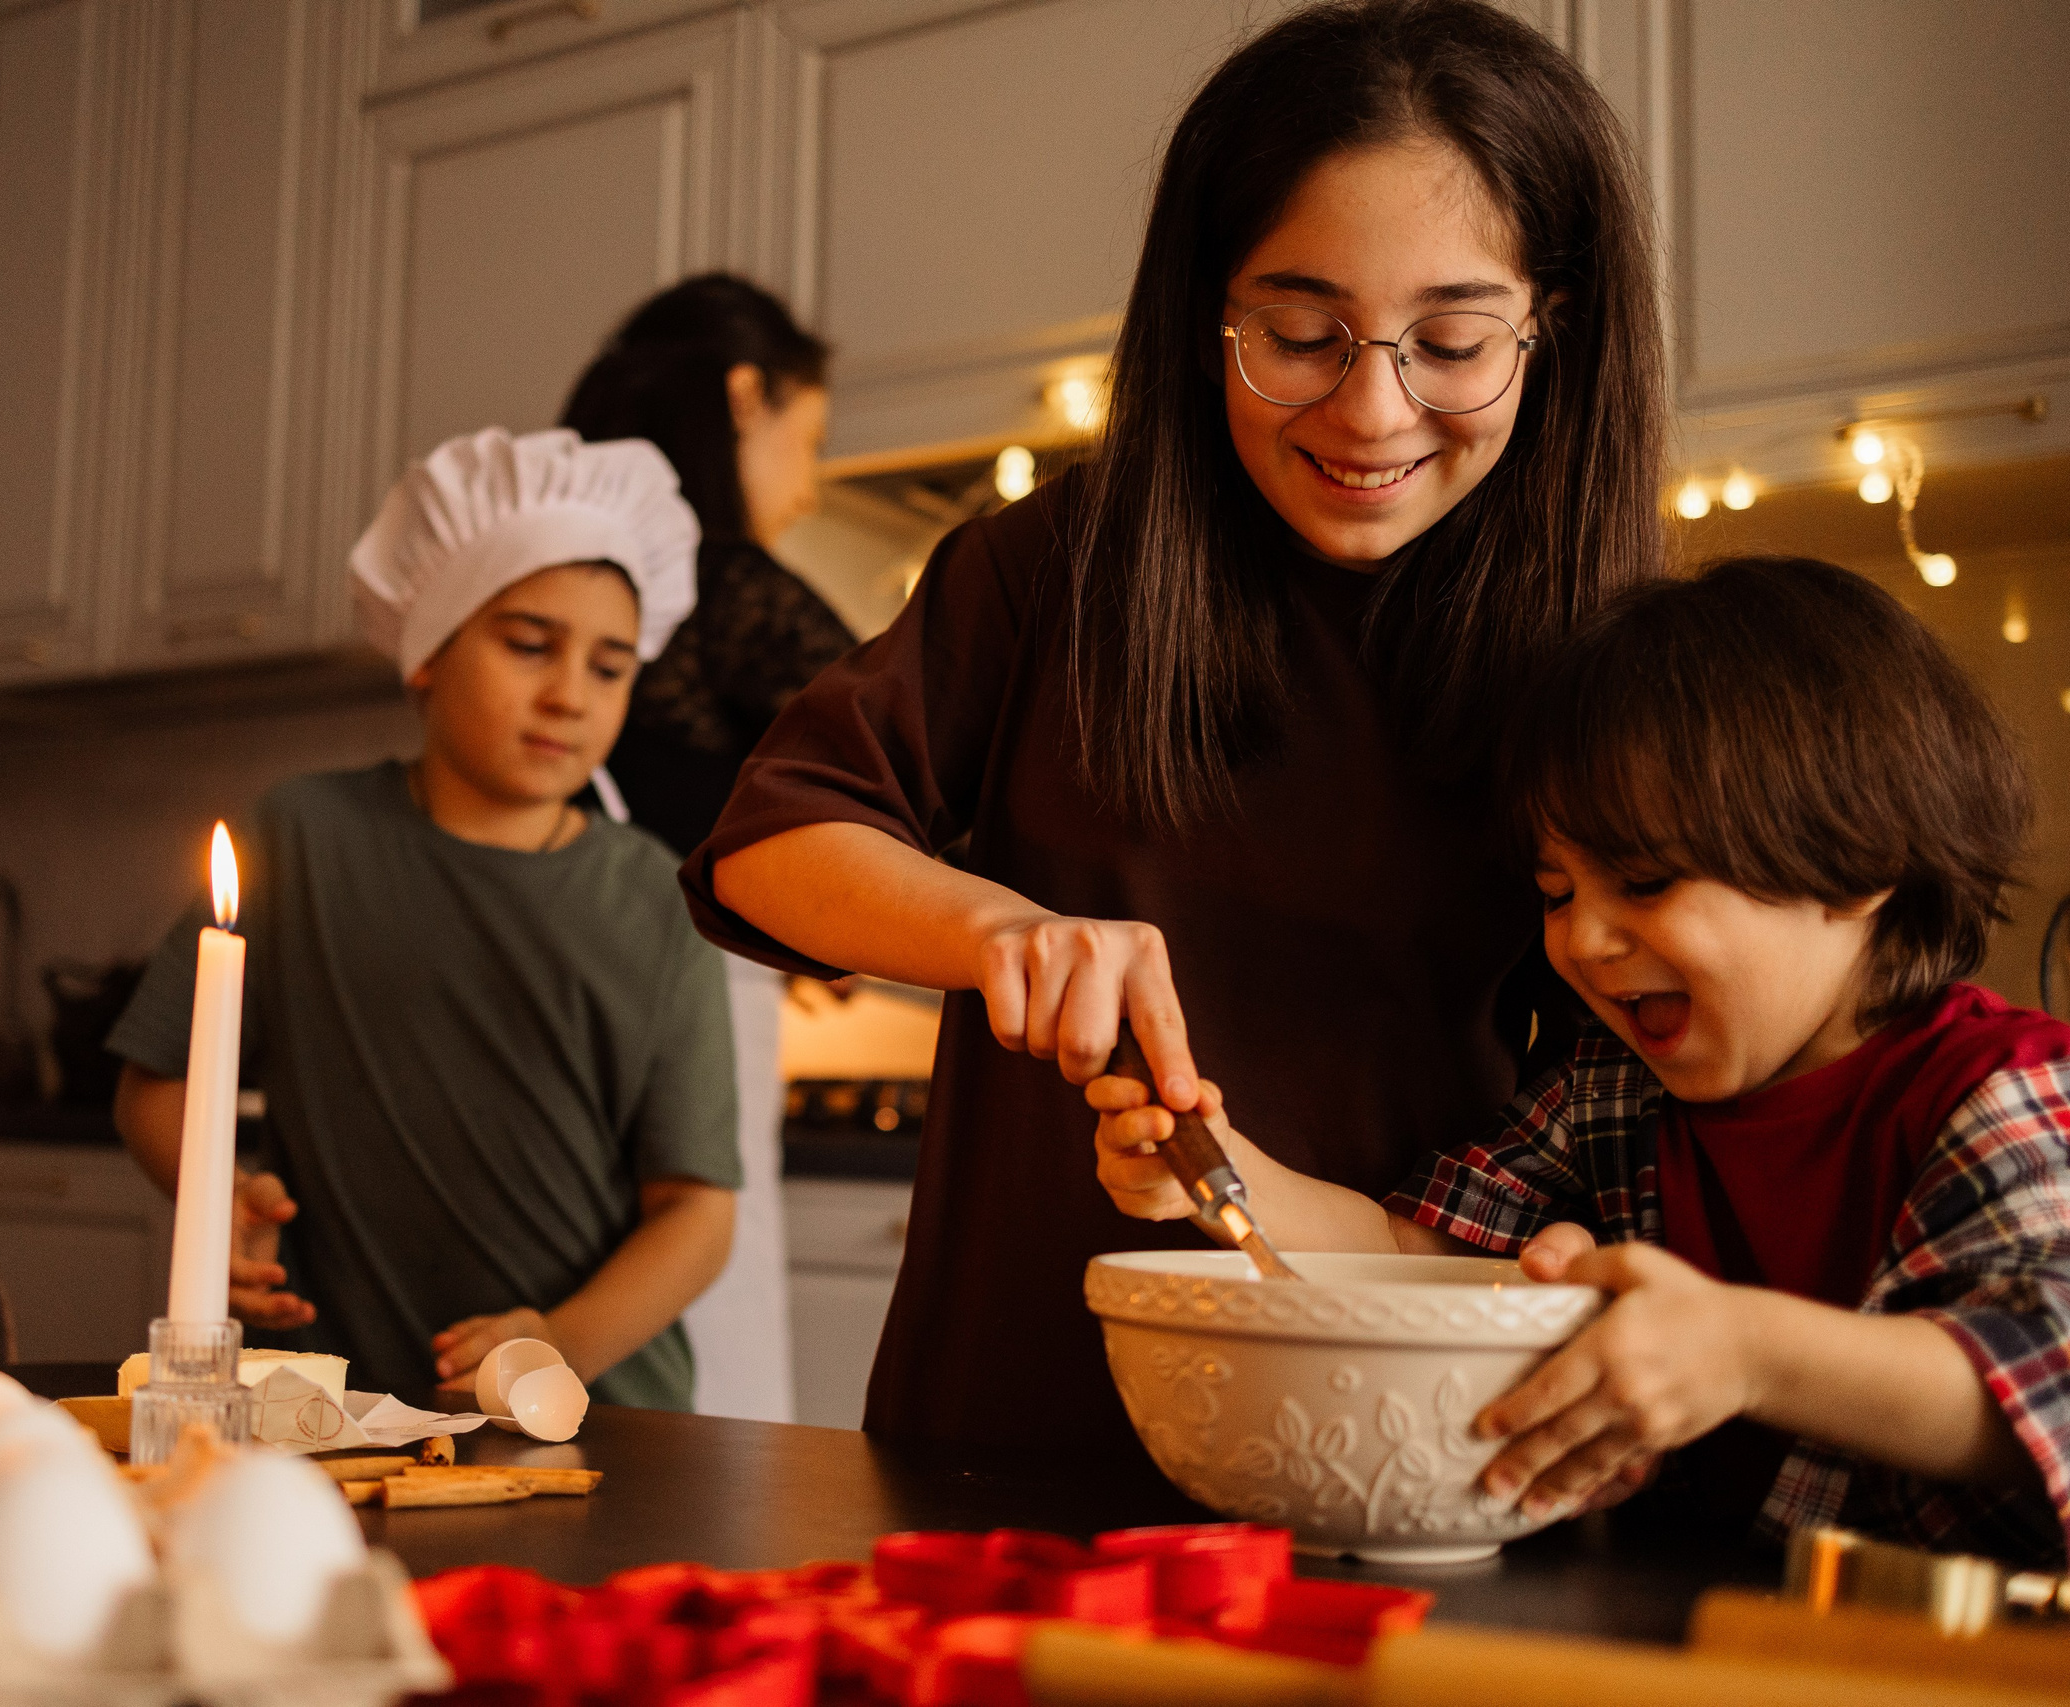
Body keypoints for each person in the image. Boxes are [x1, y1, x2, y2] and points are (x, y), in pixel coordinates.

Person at [679, 0, 1666, 1454]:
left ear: (1553, 330)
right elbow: (767, 843)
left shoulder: (1606, 655)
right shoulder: (1058, 569)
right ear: (1206, 307)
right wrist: (1003, 933)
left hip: (1403, 1421)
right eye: (1300, 333)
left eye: (1452, 343)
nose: (1373, 409)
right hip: (1014, 1418)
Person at [1094, 558, 2070, 1564]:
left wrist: (1743, 1352)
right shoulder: (1610, 1095)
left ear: (1859, 864)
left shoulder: (1999, 1091)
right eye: (1558, 893)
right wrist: (1217, 1171)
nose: (1584, 943)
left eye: (1644, 882)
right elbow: (1407, 1252)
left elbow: (2045, 1377)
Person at [109, 427, 742, 1409]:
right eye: (529, 645)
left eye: (610, 668)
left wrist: (558, 1345)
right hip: (331, 1407)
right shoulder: (300, 836)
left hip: (596, 1418)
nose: (569, 693)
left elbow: (696, 1211)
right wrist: (217, 1202)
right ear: (424, 654)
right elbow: (156, 1085)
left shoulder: (658, 900)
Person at [560, 275, 854, 1422]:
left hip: (552, 987)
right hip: (689, 1001)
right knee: (710, 1312)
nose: (813, 479)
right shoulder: (734, 593)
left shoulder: (580, 582)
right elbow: (899, 774)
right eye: (812, 438)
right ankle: (715, 1574)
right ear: (746, 394)